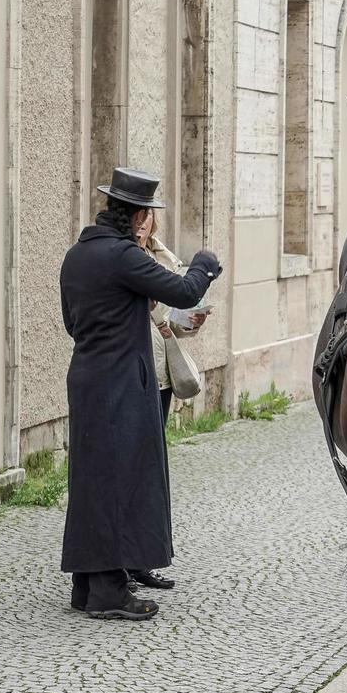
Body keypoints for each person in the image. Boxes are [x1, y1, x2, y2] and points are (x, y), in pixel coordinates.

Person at [61, 168, 222, 620]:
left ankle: (86, 586)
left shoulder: (77, 255)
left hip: (87, 377)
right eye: (146, 212)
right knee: (122, 479)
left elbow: (71, 322)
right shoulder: (124, 257)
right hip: (123, 383)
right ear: (135, 216)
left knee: (92, 480)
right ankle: (110, 594)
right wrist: (205, 263)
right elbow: (185, 289)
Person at [125, 220, 213, 592]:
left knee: (150, 473)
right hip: (131, 375)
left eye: (148, 218)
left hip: (160, 377)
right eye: (137, 217)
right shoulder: (123, 259)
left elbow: (176, 316)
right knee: (129, 471)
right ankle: (121, 563)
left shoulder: (160, 255)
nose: (143, 225)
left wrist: (190, 319)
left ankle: (140, 560)